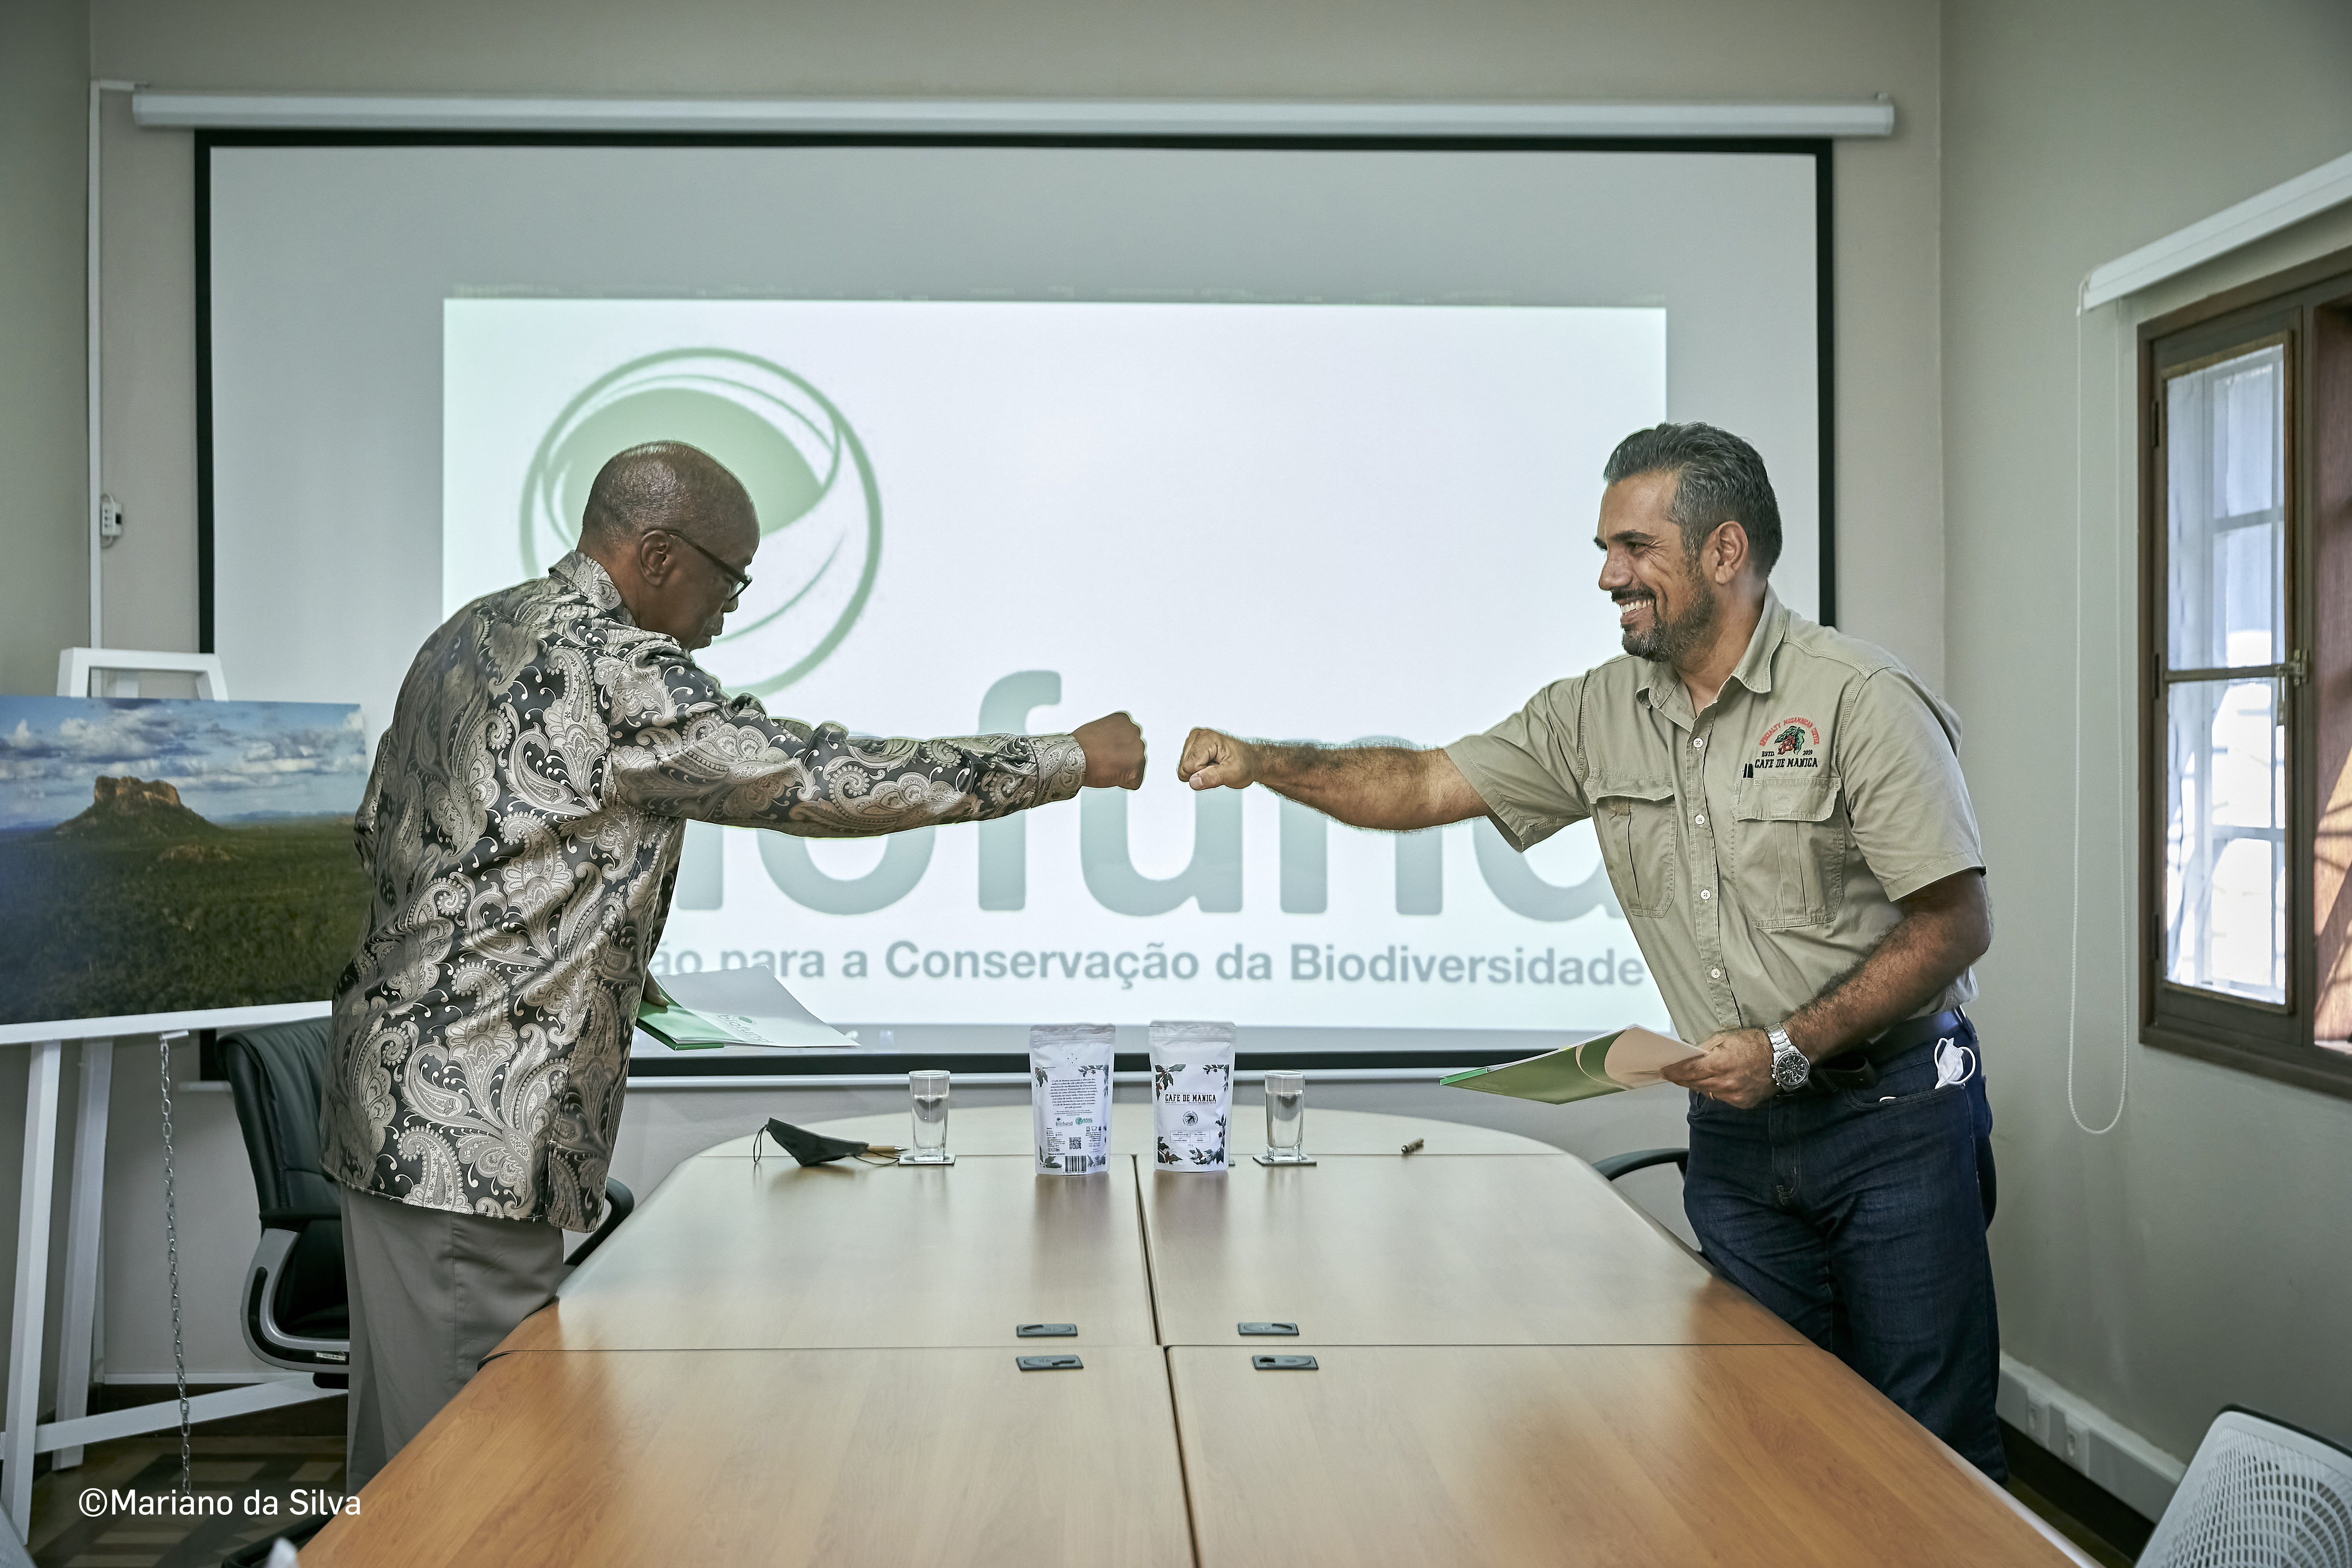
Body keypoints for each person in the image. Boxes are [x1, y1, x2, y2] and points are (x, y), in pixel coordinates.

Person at [1177, 421, 2005, 1478]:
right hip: (1743, 1140)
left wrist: (1790, 1046)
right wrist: (1263, 762)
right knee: (1767, 1441)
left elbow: (1955, 921)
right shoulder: (1598, 714)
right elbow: (1428, 782)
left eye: (1634, 549)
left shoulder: (1856, 700)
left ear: (1724, 551)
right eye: (1605, 553)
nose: (1610, 576)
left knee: (1929, 1450)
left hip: (1894, 1121)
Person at [321, 440, 1146, 1488]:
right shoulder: (615, 664)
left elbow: (396, 840)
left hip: (398, 1101)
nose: (732, 607)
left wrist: (583, 953)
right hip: (472, 1135)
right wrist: (1064, 758)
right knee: (466, 1481)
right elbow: (817, 778)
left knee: (403, 1457)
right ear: (660, 554)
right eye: (732, 577)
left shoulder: (471, 632)